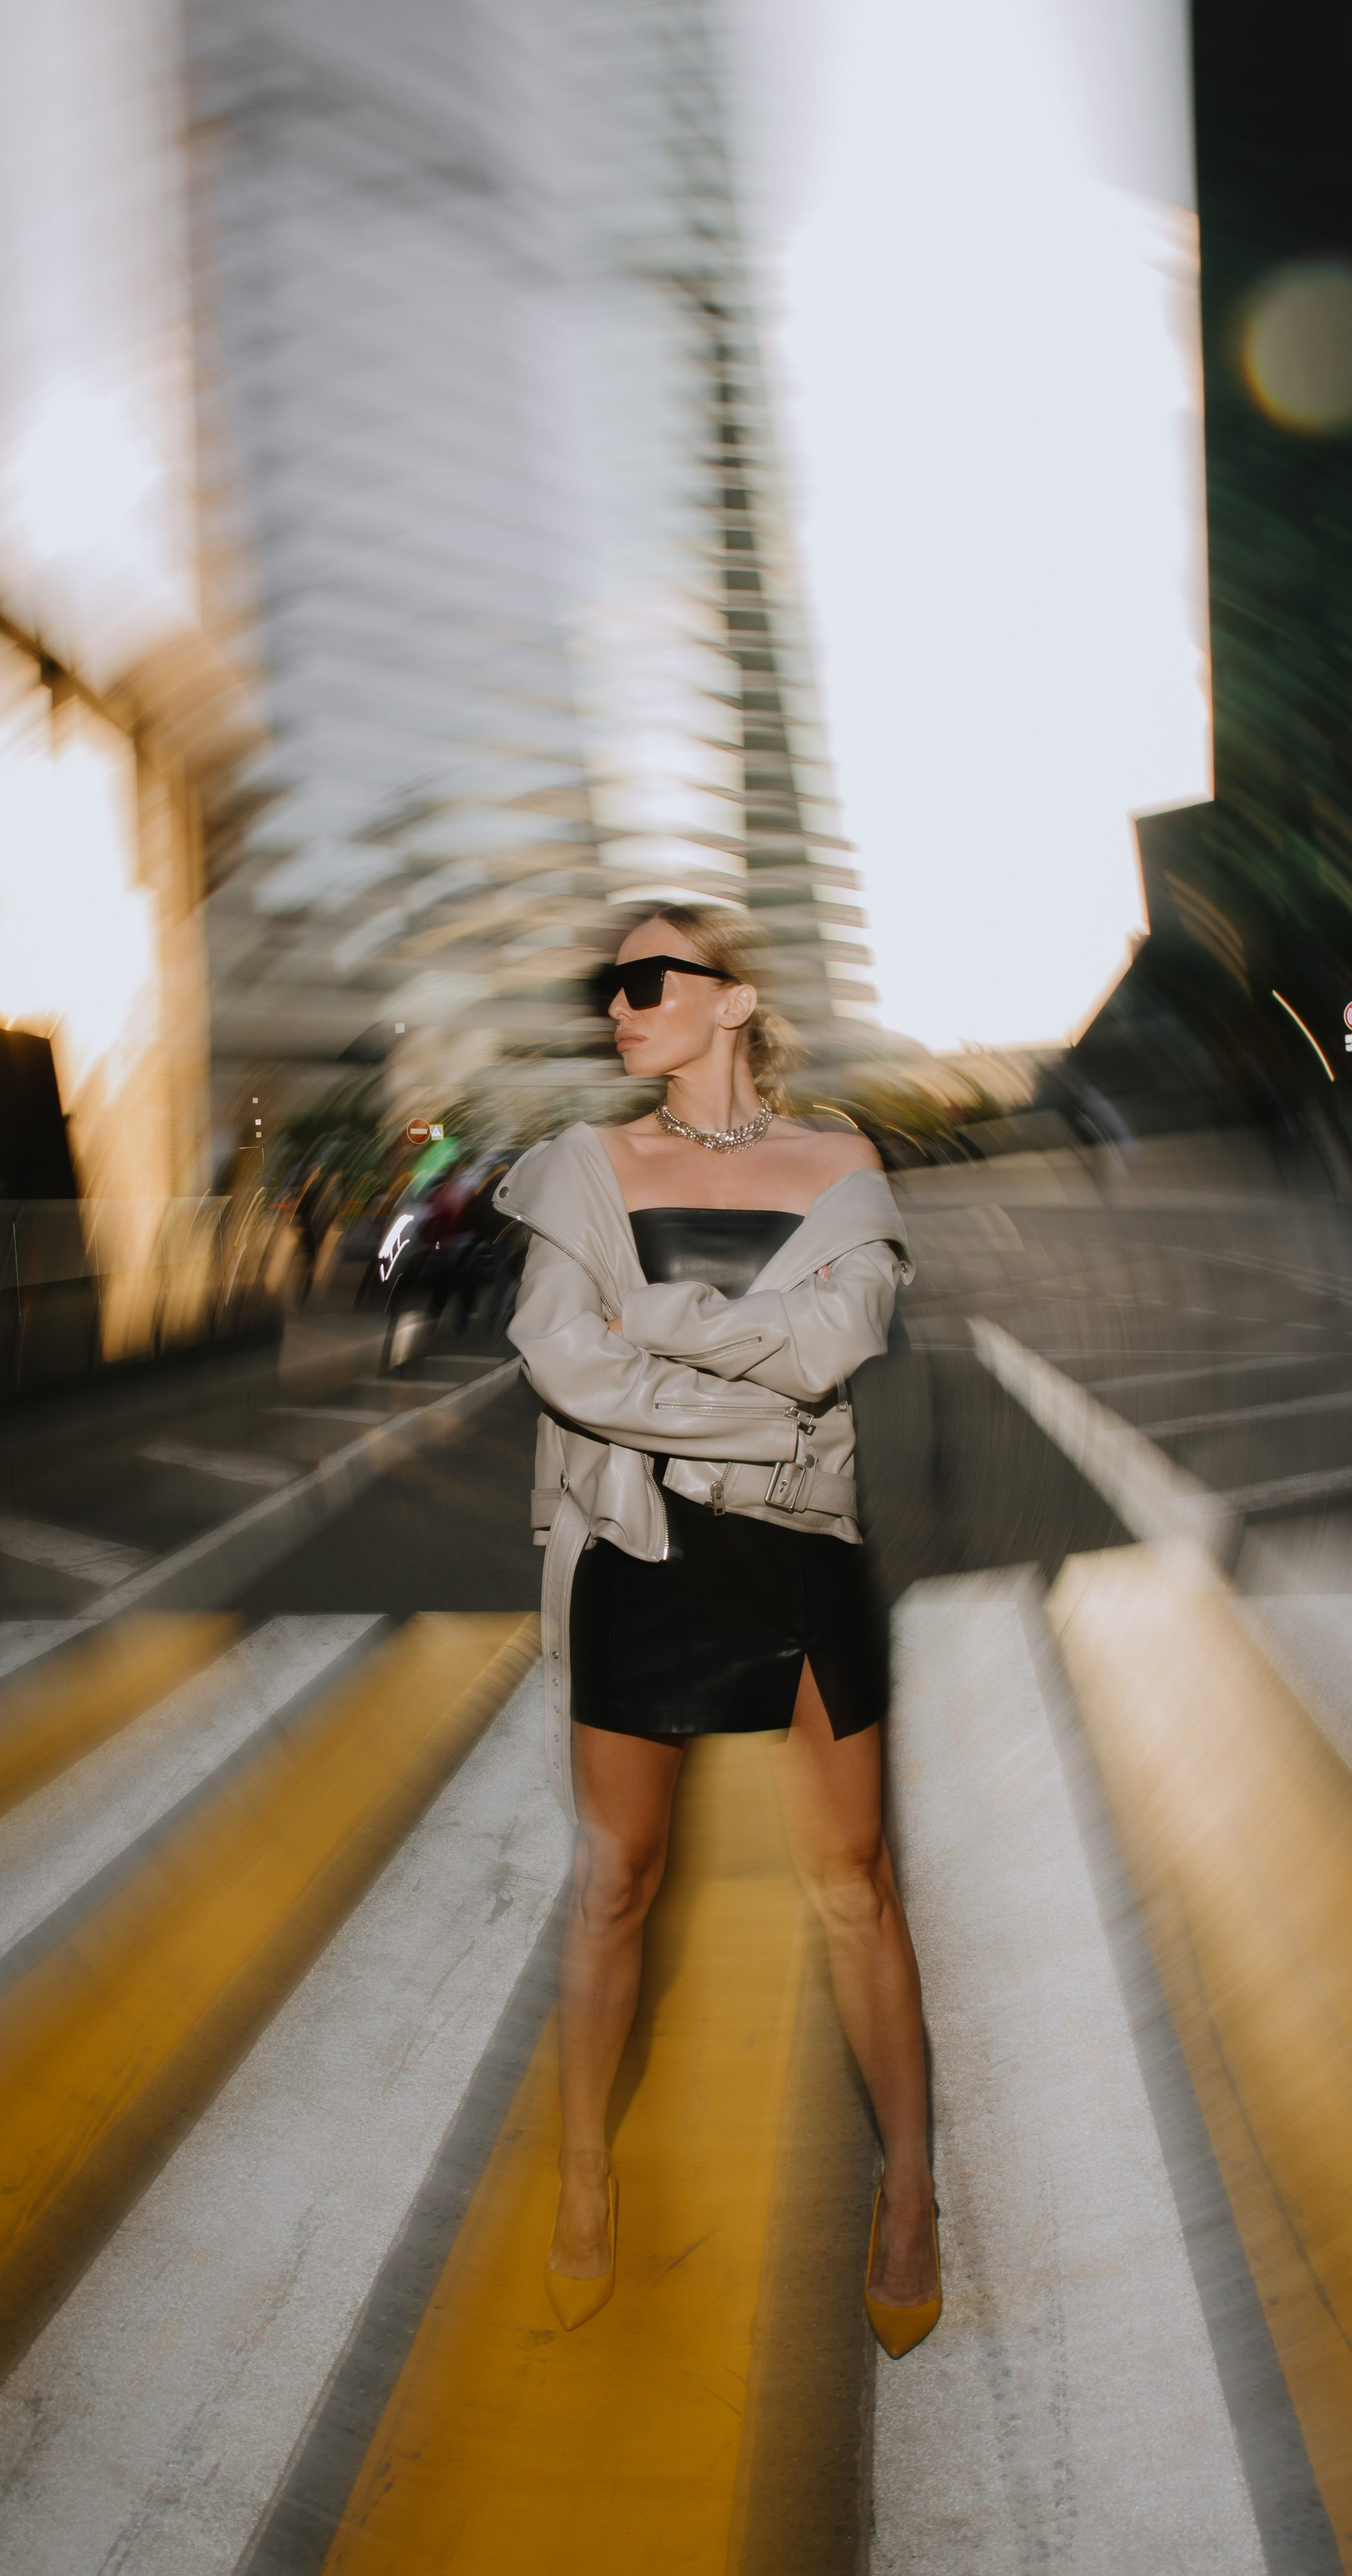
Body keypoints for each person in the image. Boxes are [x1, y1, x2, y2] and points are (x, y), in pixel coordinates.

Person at [493, 904, 940, 2357]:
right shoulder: (579, 1166)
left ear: (731, 1002)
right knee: (616, 1878)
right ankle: (581, 2174)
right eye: (602, 987)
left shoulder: (843, 1165)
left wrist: (662, 1320)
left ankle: (913, 2195)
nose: (615, 1007)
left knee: (856, 1884)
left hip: (803, 1554)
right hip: (642, 1543)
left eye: (642, 980)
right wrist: (734, 1413)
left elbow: (833, 1346)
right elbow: (561, 1357)